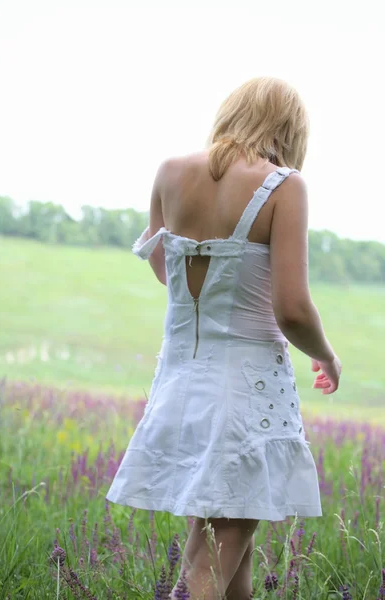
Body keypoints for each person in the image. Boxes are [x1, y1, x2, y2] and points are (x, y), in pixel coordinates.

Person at [106, 76, 342, 599]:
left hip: (181, 384)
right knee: (208, 566)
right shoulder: (284, 186)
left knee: (234, 556)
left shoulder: (170, 172)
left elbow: (166, 271)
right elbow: (293, 308)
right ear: (289, 129)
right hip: (247, 394)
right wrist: (326, 355)